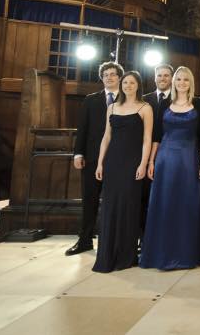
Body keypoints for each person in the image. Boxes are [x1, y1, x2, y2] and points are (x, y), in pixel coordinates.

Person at [140, 66, 200, 270]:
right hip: (165, 160)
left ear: (191, 82)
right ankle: (161, 253)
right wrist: (151, 161)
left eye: (186, 79)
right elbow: (157, 137)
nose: (181, 83)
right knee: (165, 203)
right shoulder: (164, 105)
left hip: (190, 159)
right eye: (178, 79)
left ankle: (188, 254)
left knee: (188, 204)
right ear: (173, 81)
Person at [92, 71, 153, 272]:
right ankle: (107, 254)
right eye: (125, 82)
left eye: (132, 82)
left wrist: (143, 164)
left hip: (133, 162)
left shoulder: (145, 108)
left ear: (138, 85)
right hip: (113, 162)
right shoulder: (111, 108)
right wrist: (100, 163)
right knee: (110, 208)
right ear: (121, 84)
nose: (128, 85)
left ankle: (126, 255)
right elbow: (106, 137)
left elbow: (147, 140)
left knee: (128, 207)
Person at [66, 61, 124, 256]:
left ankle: (113, 240)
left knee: (116, 200)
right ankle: (85, 240)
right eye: (106, 74)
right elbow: (82, 128)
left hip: (118, 158)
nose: (109, 77)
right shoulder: (91, 100)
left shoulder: (127, 99)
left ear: (119, 77)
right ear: (102, 77)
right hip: (91, 158)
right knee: (89, 200)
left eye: (113, 74)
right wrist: (78, 153)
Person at [140, 64, 173, 244]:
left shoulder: (178, 99)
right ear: (154, 77)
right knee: (144, 198)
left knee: (165, 197)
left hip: (170, 154)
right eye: (159, 75)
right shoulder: (144, 100)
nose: (162, 78)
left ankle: (164, 238)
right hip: (145, 156)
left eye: (166, 75)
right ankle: (144, 239)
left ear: (171, 78)